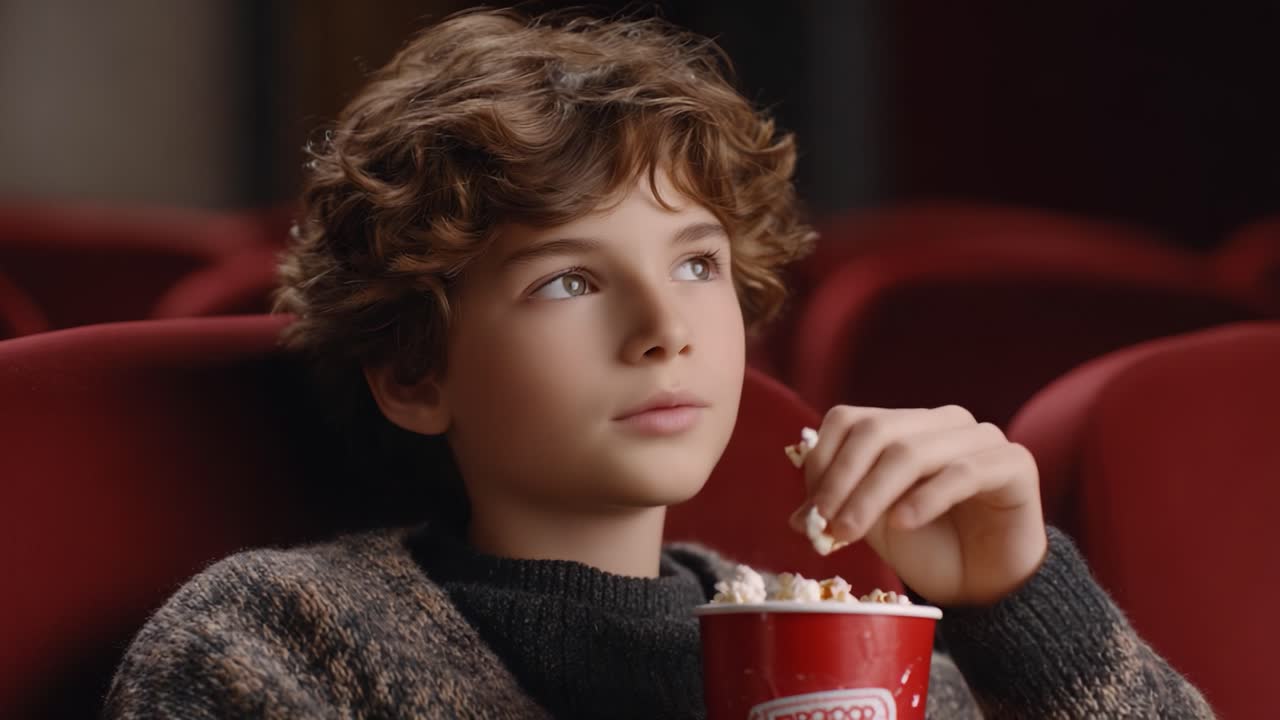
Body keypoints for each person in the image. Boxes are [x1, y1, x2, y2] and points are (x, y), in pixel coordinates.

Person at [103, 8, 1214, 718]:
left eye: (695, 265)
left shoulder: (842, 647)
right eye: (568, 282)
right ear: (413, 373)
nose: (663, 330)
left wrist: (1024, 602)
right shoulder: (277, 641)